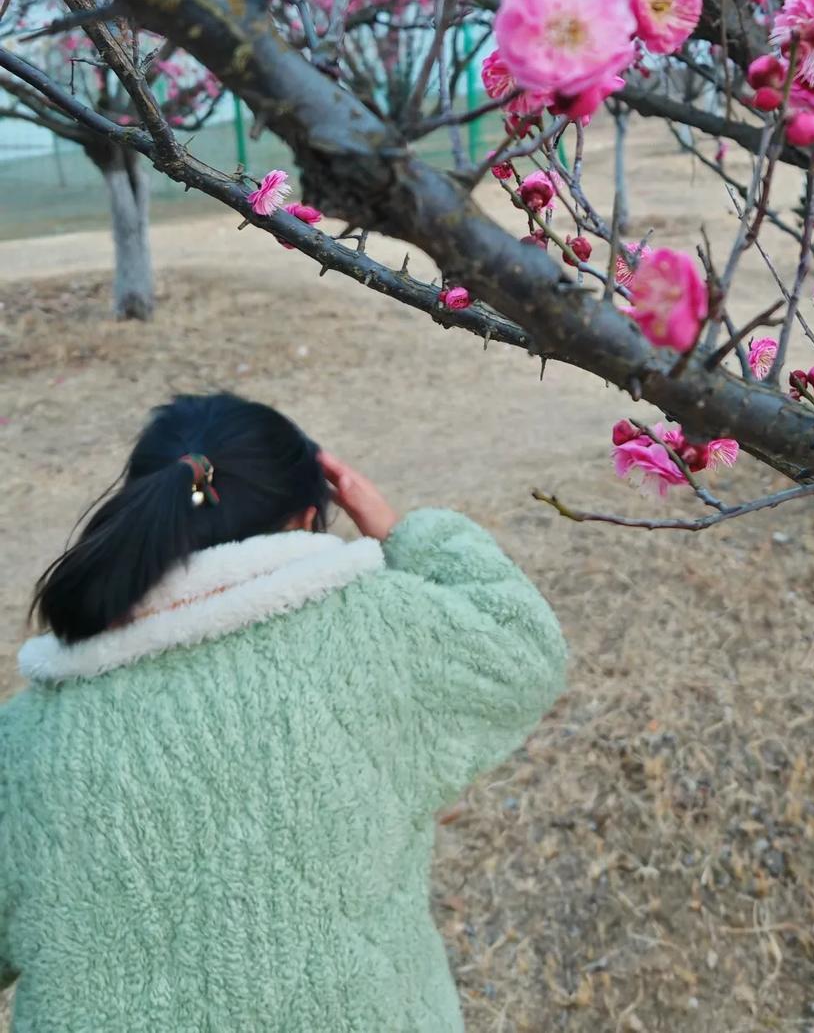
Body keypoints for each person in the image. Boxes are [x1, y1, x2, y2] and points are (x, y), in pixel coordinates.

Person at [0, 391, 567, 1032]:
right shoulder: (381, 634)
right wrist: (401, 529)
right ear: (304, 519)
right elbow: (522, 644)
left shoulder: (24, 742)